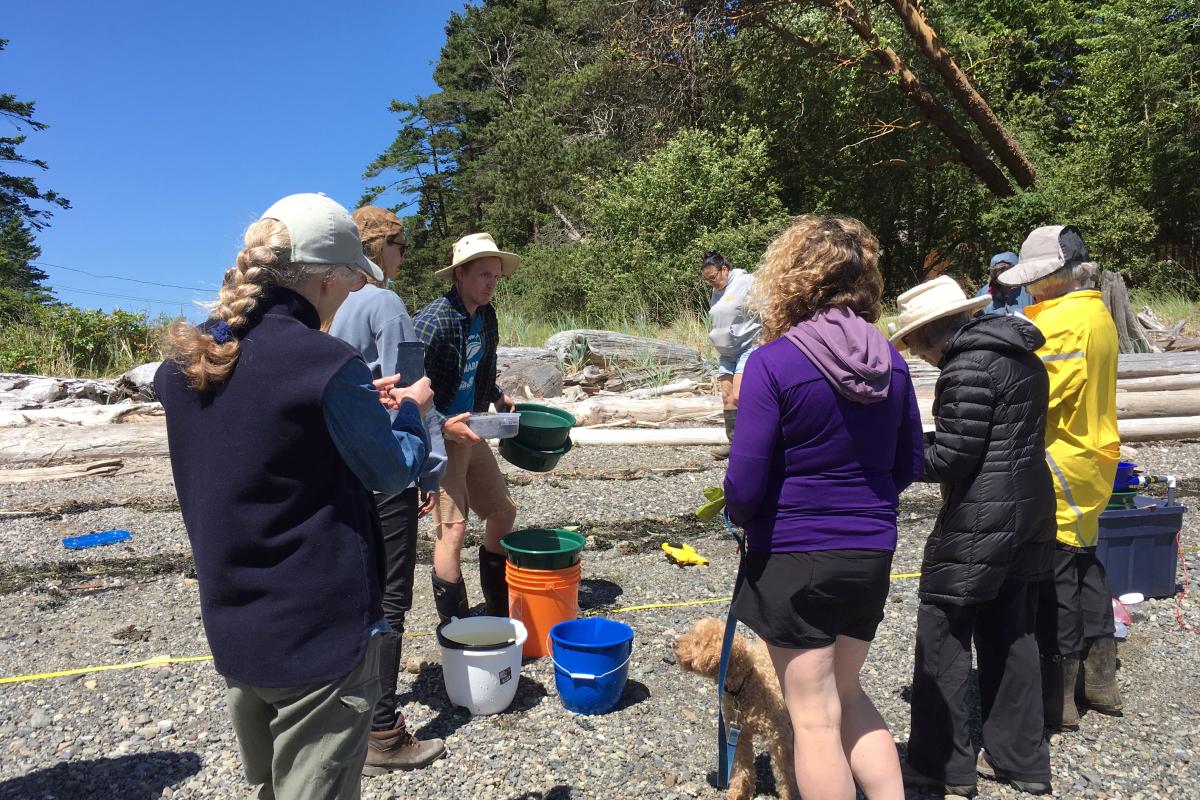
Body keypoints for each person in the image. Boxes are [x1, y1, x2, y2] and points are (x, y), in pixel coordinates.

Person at [154, 192, 434, 800]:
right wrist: (410, 412)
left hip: (235, 622)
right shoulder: (324, 361)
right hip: (318, 631)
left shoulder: (188, 360)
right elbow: (391, 472)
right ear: (328, 276)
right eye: (353, 280)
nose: (353, 293)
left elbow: (263, 445)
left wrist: (354, 401)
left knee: (277, 785)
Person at [724, 215, 923, 800]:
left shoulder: (774, 362)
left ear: (794, 279)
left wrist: (744, 515)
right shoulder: (893, 362)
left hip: (795, 554)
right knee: (849, 692)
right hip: (871, 550)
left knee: (813, 719)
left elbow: (745, 482)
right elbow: (911, 461)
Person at [891, 276, 1055, 796]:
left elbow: (955, 456)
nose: (916, 354)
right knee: (1013, 633)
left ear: (930, 334)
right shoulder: (1018, 353)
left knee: (942, 632)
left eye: (914, 343)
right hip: (1030, 508)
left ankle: (943, 766)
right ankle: (1021, 759)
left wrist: (896, 455)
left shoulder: (965, 365)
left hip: (982, 517)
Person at [328, 205, 447, 772]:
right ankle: (383, 730)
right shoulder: (385, 303)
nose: (405, 256)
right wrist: (426, 470)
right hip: (384, 465)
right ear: (384, 248)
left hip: (341, 469)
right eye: (401, 246)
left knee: (353, 590)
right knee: (391, 597)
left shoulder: (331, 305)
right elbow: (412, 393)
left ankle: (345, 718)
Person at [996, 225, 1123, 731]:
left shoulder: (1064, 321)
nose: (1028, 287)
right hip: (1094, 457)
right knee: (1087, 565)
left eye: (1034, 278)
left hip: (1059, 460)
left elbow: (1037, 394)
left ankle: (1058, 701)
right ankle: (1101, 683)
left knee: (1057, 580)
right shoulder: (1096, 311)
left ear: (1053, 276)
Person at [414, 232, 520, 622]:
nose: (491, 283)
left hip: (471, 427)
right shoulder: (432, 323)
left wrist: (496, 395)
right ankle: (455, 628)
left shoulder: (486, 315)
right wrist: (442, 425)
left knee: (503, 512)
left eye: (495, 276)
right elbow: (405, 394)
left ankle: (496, 608)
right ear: (459, 275)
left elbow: (479, 367)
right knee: (452, 530)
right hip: (439, 437)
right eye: (482, 275)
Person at [702, 251, 760, 459]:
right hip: (726, 352)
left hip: (747, 346)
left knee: (739, 394)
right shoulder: (717, 291)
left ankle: (752, 442)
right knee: (727, 398)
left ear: (724, 269)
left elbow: (767, 303)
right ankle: (734, 445)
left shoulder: (746, 281)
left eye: (713, 277)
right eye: (707, 280)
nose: (711, 282)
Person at [976, 251, 1033, 315]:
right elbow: (975, 320)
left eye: (1008, 270)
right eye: (1000, 271)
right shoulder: (983, 295)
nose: (1005, 275)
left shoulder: (1029, 290)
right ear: (994, 274)